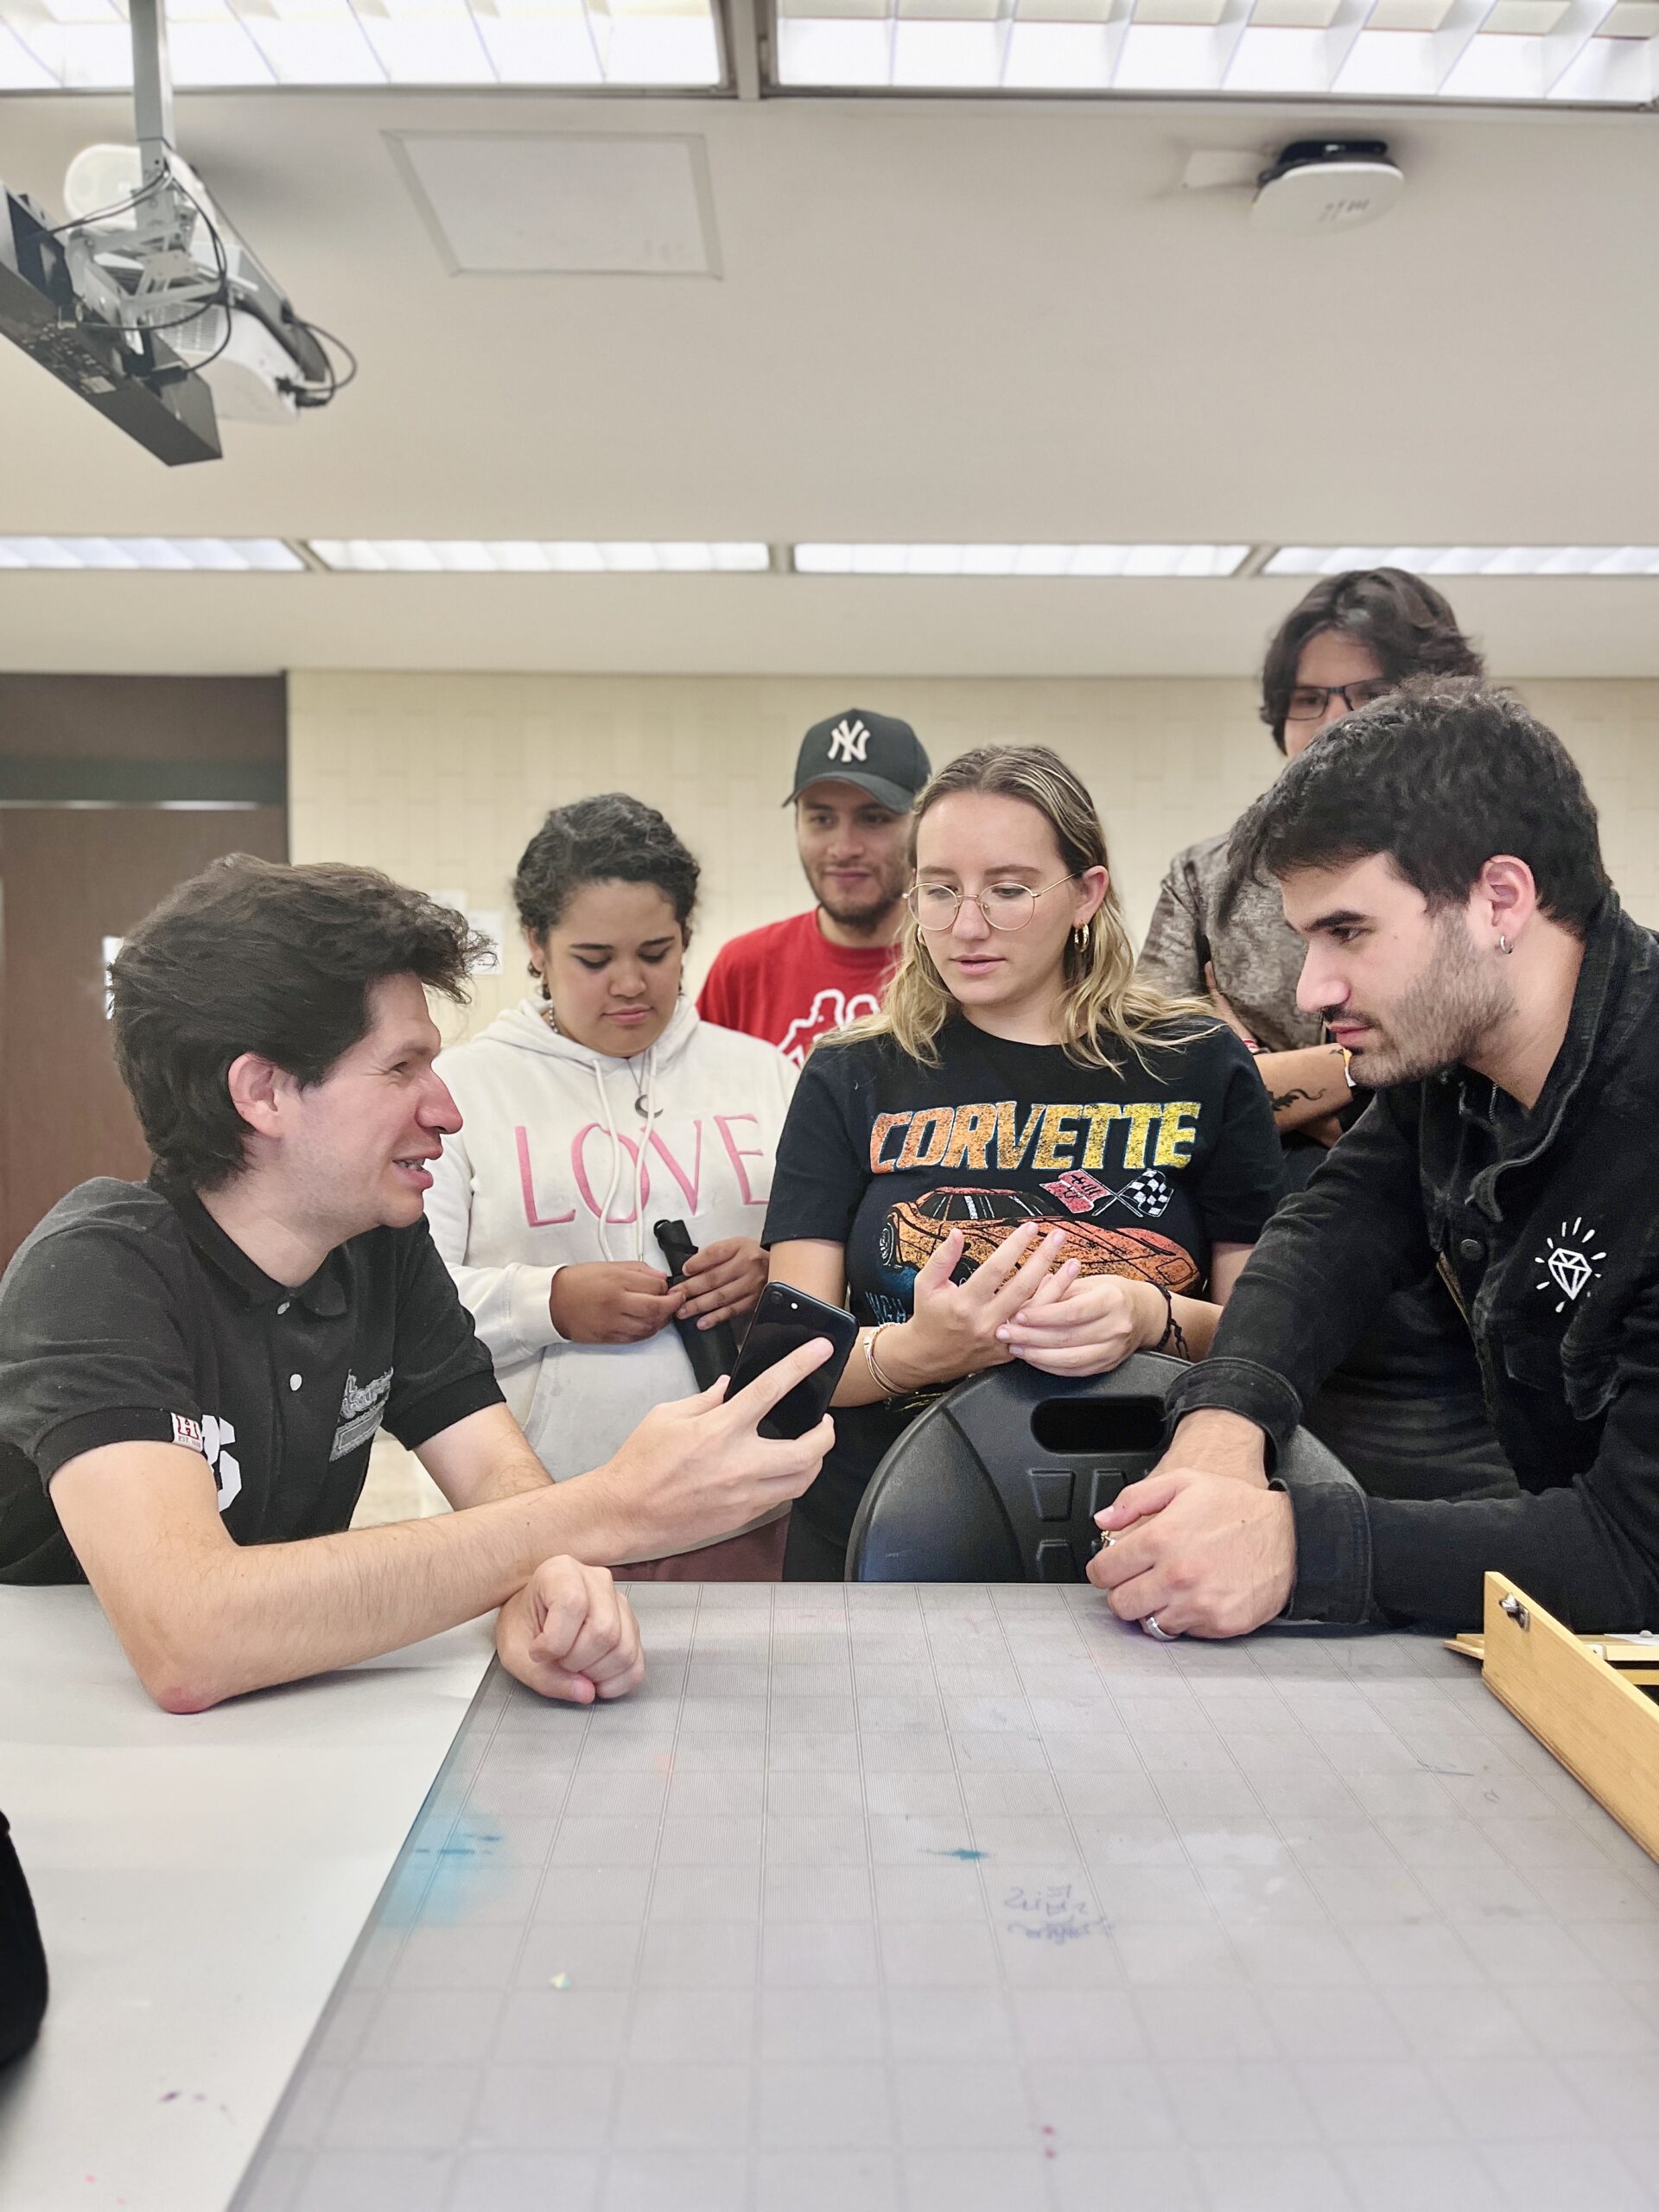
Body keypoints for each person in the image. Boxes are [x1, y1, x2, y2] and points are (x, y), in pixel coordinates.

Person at [0, 857, 833, 1710]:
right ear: (264, 1093)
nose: (446, 1108)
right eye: (403, 1069)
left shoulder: (378, 1252)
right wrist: (615, 1508)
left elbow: (502, 1485)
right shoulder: (99, 1271)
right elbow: (193, 1634)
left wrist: (544, 1597)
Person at [1090, 680, 1659, 1639]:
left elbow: (1636, 1556)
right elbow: (1330, 1229)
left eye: (1349, 930)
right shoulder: (1455, 1067)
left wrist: (1295, 1546)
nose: (1315, 989)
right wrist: (1223, 1427)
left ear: (1500, 899)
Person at [765, 743, 1285, 1579]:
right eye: (939, 891)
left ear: (1087, 895)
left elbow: (1273, 1339)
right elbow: (786, 1369)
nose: (968, 925)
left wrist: (1152, 1318)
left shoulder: (1194, 1061)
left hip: (1144, 1521)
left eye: (1009, 890)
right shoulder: (851, 1072)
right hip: (886, 1530)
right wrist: (913, 1354)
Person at [1138, 567, 1512, 1506]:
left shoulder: (1491, 882)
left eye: (1367, 693)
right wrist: (1364, 1069)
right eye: (1309, 699)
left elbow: (1481, 1065)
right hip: (1257, 1260)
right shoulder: (1210, 875)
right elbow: (1158, 1088)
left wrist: (1272, 1068)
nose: (1333, 721)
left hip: (1454, 1294)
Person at [427, 794, 799, 1579]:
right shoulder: (462, 1090)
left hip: (746, 1504)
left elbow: (839, 1272)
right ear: (536, 944)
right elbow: (407, 1310)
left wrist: (773, 1271)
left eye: (656, 953)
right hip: (534, 1512)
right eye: (593, 960)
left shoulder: (766, 1075)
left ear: (688, 938)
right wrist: (548, 1302)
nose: (629, 984)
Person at [697, 708, 931, 1063]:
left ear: (921, 826)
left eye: (873, 819)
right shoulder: (742, 970)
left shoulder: (954, 967)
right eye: (822, 819)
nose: (844, 849)